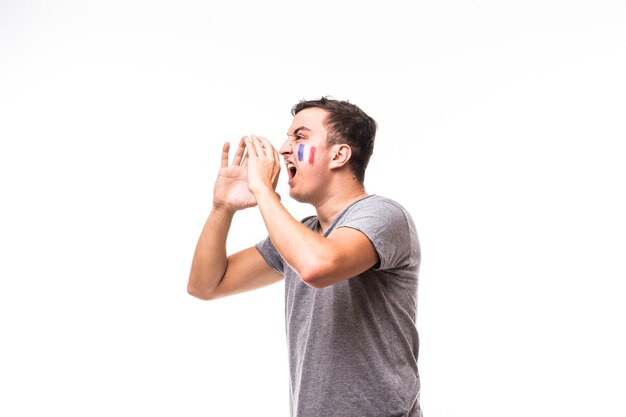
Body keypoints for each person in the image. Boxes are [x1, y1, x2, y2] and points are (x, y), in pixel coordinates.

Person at [188, 97, 422, 417]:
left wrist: (264, 191)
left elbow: (317, 266)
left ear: (339, 155)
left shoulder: (383, 215)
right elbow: (206, 285)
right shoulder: (302, 235)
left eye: (299, 137)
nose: (284, 149)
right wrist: (222, 208)